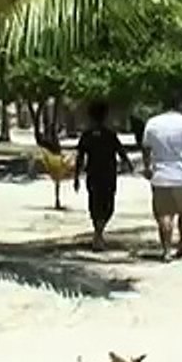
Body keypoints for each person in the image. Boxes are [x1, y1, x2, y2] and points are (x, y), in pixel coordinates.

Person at [141, 93, 182, 262]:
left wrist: (147, 167)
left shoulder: (152, 123)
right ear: (180, 106)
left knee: (164, 215)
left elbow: (146, 148)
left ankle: (166, 251)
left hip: (161, 176)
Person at [73, 100, 133, 251]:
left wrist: (76, 177)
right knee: (108, 205)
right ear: (105, 116)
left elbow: (80, 158)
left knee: (94, 203)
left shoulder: (86, 136)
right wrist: (129, 165)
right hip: (108, 174)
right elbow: (121, 152)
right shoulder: (109, 135)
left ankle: (97, 233)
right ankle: (98, 234)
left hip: (93, 174)